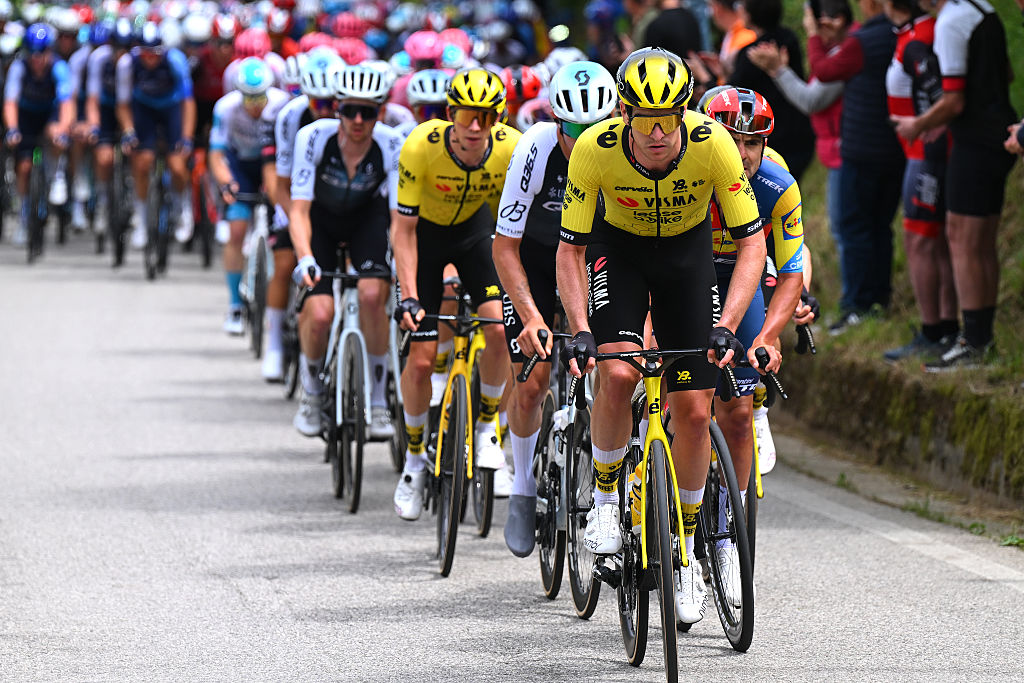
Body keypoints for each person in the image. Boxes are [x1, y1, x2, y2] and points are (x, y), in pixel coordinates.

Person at [556, 48, 767, 624]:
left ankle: (689, 552)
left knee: (696, 412)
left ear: (683, 111)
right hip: (618, 253)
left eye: (668, 116)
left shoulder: (713, 144)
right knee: (620, 369)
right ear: (622, 111)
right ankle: (602, 498)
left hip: (686, 259)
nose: (656, 131)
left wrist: (727, 326)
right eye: (643, 117)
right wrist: (579, 330)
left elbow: (752, 244)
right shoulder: (595, 152)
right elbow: (570, 249)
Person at [492, 60, 618, 558]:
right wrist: (531, 317)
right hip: (537, 261)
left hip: (598, 259)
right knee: (533, 377)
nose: (584, 140)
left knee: (617, 362)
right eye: (573, 130)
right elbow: (504, 246)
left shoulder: (624, 152)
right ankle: (523, 486)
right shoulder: (535, 149)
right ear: (554, 122)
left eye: (596, 128)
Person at [391, 68, 522, 521]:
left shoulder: (510, 147)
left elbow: (514, 226)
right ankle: (412, 462)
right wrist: (409, 294)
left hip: (475, 237)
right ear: (450, 114)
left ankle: (487, 427)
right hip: (424, 242)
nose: (473, 127)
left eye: (484, 117)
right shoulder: (420, 146)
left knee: (502, 328)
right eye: (465, 115)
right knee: (423, 360)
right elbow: (402, 232)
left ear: (497, 120)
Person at [702, 87, 804, 600]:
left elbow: (790, 271)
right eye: (731, 139)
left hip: (747, 274)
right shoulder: (687, 170)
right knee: (683, 396)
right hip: (687, 274)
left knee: (737, 411)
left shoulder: (777, 184)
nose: (742, 152)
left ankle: (725, 535)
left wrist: (769, 335)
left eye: (753, 142)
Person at [893, 0, 1016, 370]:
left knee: (963, 239)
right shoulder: (983, 10)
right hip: (996, 132)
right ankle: (979, 337)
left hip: (975, 142)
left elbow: (953, 100)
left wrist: (917, 124)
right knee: (979, 242)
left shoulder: (948, 22)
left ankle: (975, 341)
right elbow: (1006, 74)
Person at [289, 63, 401, 441]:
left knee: (372, 294)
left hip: (365, 221)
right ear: (336, 109)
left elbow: (398, 219)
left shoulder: (391, 144)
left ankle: (379, 399)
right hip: (320, 221)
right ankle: (313, 393)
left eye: (367, 111)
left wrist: (400, 263)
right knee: (320, 313)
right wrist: (304, 257)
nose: (357, 119)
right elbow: (299, 210)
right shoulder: (312, 137)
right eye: (349, 110)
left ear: (380, 112)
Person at [809, 0, 905, 334]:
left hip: (862, 150)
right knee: (880, 227)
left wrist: (813, 37)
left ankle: (856, 306)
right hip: (895, 148)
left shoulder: (865, 40)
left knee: (853, 229)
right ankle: (879, 301)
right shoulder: (899, 34)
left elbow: (824, 71)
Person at [882, 0, 958, 360]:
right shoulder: (911, 33)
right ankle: (944, 328)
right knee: (933, 241)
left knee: (921, 241)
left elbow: (938, 92)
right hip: (921, 150)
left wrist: (930, 137)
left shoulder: (921, 35)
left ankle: (936, 331)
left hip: (927, 153)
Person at [747, 0, 850, 264]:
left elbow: (811, 100)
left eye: (809, 20)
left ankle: (856, 300)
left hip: (843, 149)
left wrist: (777, 70)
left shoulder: (845, 52)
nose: (806, 26)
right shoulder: (806, 43)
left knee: (847, 228)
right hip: (827, 147)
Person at [266, 49, 346, 381]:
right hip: (297, 200)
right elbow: (280, 182)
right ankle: (273, 344)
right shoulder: (291, 116)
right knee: (286, 262)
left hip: (340, 204)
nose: (325, 111)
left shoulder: (356, 116)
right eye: (318, 103)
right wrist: (294, 219)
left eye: (331, 103)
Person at [208, 58, 289, 334]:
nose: (255, 105)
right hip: (241, 165)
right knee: (237, 230)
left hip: (273, 163)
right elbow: (217, 155)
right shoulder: (226, 109)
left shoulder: (282, 105)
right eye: (248, 98)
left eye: (260, 98)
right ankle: (235, 305)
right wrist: (226, 182)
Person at [116, 22, 195, 249]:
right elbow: (122, 104)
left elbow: (187, 102)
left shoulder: (175, 60)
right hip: (144, 109)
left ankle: (183, 209)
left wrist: (186, 137)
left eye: (155, 54)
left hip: (171, 109)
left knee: (177, 165)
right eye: (146, 54)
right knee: (142, 163)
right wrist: (129, 132)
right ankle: (141, 218)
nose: (150, 59)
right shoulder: (127, 64)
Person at [728, 0, 816, 181]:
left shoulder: (750, 54)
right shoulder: (789, 39)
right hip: (799, 132)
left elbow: (732, 96)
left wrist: (708, 78)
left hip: (770, 139)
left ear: (750, 13)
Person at [3, 22, 73, 246]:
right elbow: (10, 102)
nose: (36, 59)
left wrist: (63, 130)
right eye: (32, 53)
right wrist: (13, 129)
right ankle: (24, 215)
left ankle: (57, 175)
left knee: (56, 134)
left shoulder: (59, 68)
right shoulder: (18, 68)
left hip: (49, 113)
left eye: (41, 53)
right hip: (26, 114)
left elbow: (67, 104)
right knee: (23, 167)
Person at [84, 18, 132, 244]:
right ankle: (104, 201)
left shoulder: (135, 61)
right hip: (105, 109)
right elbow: (92, 98)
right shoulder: (99, 59)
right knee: (104, 158)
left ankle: (134, 194)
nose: (121, 53)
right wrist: (94, 126)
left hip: (132, 110)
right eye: (117, 47)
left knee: (139, 152)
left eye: (126, 48)